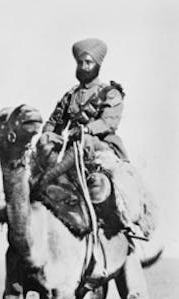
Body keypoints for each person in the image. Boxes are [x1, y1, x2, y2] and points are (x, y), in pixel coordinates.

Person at [39, 37, 145, 237]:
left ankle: (123, 221)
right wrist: (47, 135)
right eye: (80, 62)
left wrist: (86, 131)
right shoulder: (71, 95)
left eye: (88, 62)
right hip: (72, 149)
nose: (84, 67)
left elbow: (108, 122)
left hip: (101, 147)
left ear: (97, 65)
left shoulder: (110, 93)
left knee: (115, 180)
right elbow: (54, 121)